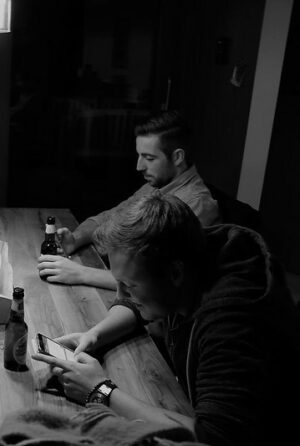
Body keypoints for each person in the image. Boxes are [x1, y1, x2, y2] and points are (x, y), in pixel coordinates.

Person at [32, 193, 300, 446]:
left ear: (174, 273)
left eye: (130, 285)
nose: (120, 294)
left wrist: (100, 390)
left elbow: (214, 437)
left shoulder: (234, 323)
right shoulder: (190, 252)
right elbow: (136, 302)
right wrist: (95, 335)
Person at [38, 110, 219, 290]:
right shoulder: (158, 184)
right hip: (100, 266)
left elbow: (160, 282)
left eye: (149, 158)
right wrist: (75, 240)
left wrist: (81, 273)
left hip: (130, 297)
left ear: (178, 157)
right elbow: (109, 216)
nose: (139, 166)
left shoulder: (196, 204)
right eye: (139, 155)